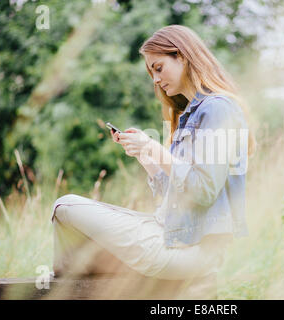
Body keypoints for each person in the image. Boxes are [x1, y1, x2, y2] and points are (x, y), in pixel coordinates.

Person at [51, 25, 256, 283]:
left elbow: (203, 189)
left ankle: (62, 286)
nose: (155, 80)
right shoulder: (189, 114)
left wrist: (152, 146)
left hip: (193, 252)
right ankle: (69, 283)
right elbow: (175, 193)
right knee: (72, 220)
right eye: (151, 72)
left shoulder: (217, 109)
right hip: (177, 239)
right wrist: (145, 156)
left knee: (64, 206)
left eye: (158, 68)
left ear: (182, 56)